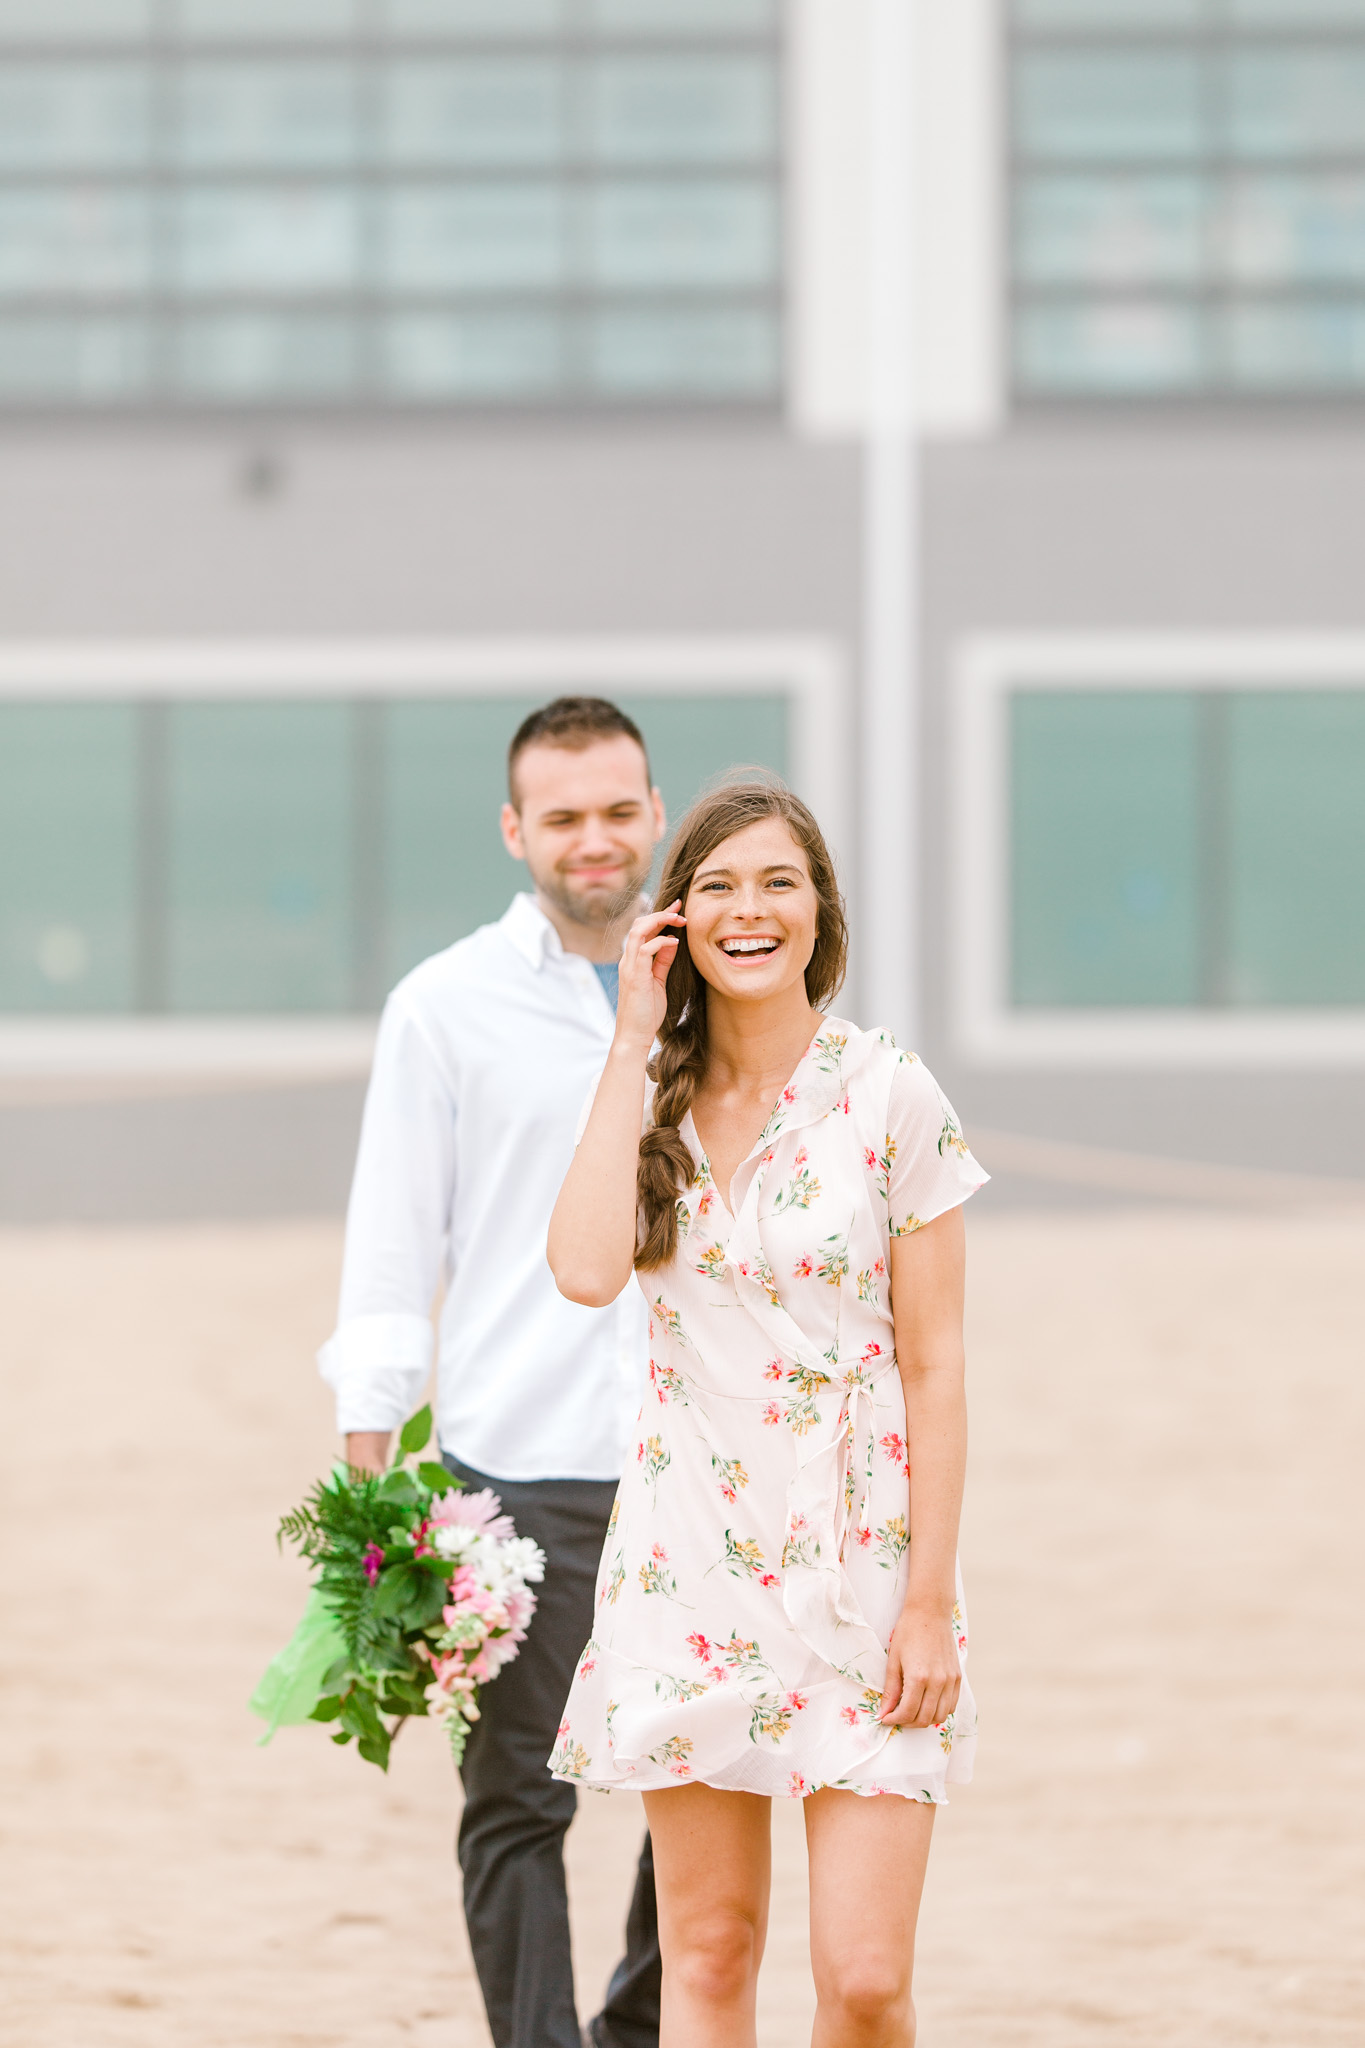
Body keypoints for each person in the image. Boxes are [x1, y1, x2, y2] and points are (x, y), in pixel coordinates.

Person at [546, 779, 987, 2048]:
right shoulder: (654, 1100)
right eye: (721, 885)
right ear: (678, 917)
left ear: (818, 910)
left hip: (864, 1559)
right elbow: (582, 1270)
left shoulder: (890, 1091)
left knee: (862, 1977)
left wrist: (928, 1598)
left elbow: (939, 1363)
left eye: (778, 881)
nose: (751, 909)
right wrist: (632, 1037)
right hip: (688, 1562)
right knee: (712, 1948)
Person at [319, 696, 666, 2048]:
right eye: (564, 816)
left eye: (618, 810)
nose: (595, 839)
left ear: (651, 812)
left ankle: (638, 2030)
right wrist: (370, 1496)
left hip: (699, 1461)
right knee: (520, 1800)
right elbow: (392, 1253)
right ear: (516, 829)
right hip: (515, 1466)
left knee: (697, 1783)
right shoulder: (443, 1008)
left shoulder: (720, 984)